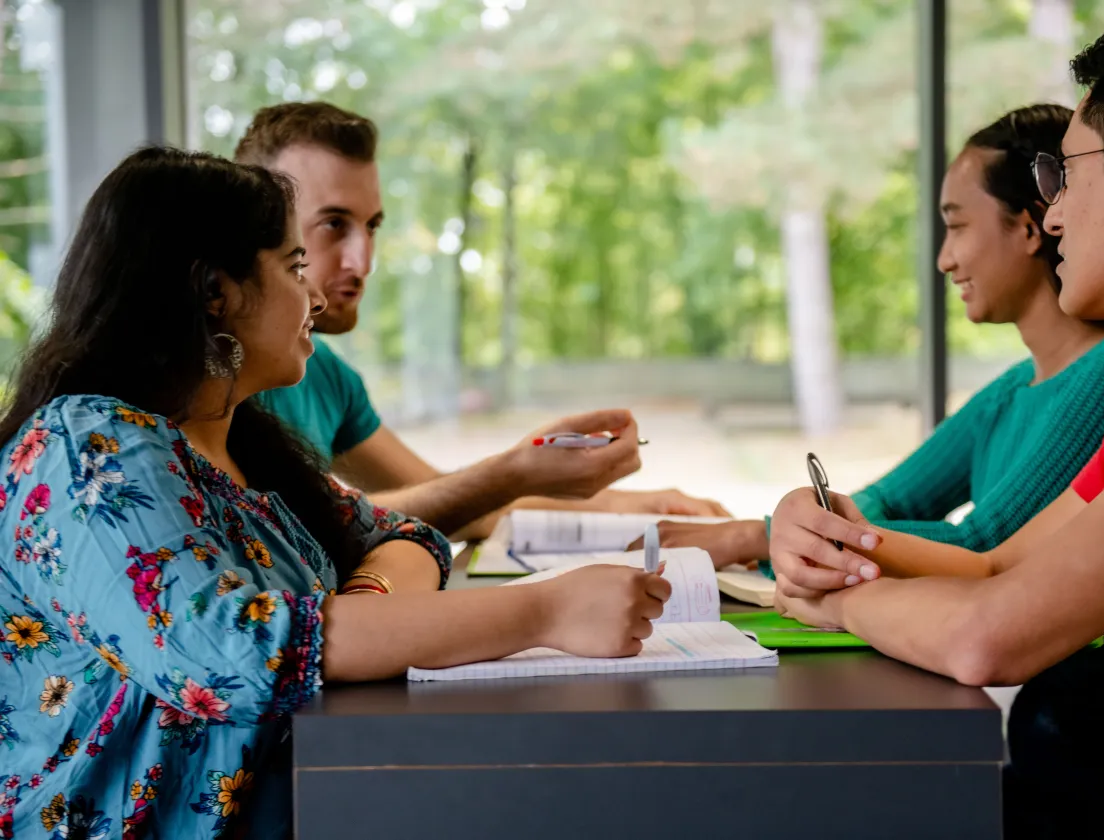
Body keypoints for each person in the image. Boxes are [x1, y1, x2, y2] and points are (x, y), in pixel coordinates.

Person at [0, 148, 670, 838]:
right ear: (215, 294)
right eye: (295, 267)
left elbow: (408, 538)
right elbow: (234, 652)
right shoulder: (85, 446)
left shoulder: (241, 447)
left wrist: (359, 605)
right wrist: (543, 612)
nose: (316, 295)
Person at [769, 9, 1104, 837]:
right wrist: (831, 537)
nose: (1053, 219)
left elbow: (988, 638)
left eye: (1064, 178)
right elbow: (999, 568)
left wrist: (836, 606)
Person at [639, 104, 1104, 572]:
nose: (944, 259)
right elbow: (889, 501)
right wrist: (789, 534)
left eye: (956, 227)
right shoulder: (1016, 386)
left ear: (1030, 228)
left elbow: (984, 544)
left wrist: (759, 537)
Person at [233, 103, 727, 541]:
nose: (362, 260)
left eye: (373, 226)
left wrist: (642, 507)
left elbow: (448, 501)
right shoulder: (210, 380)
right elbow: (309, 525)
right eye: (334, 224)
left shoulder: (326, 376)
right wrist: (514, 471)